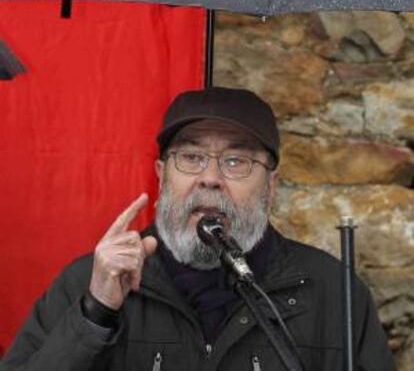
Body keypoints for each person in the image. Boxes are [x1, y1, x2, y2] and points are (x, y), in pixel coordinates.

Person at [1, 87, 394, 371]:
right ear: (161, 176)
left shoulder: (332, 291)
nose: (210, 178)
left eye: (236, 161)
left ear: (271, 187)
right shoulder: (92, 282)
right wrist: (95, 314)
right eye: (190, 157)